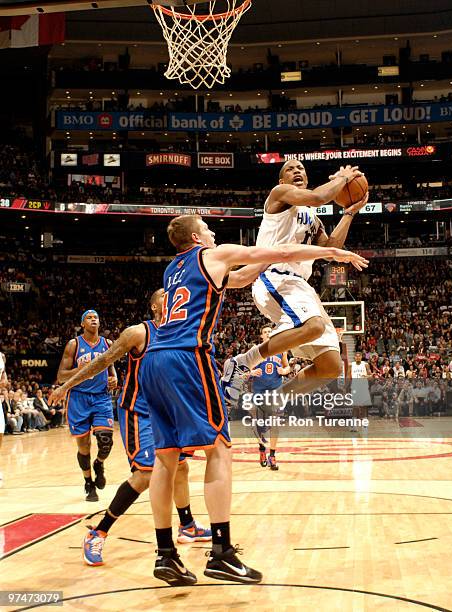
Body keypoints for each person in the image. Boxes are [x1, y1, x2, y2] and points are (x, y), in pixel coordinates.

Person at [140, 214, 368, 587]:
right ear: (197, 237)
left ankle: (165, 555)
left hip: (155, 359)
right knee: (219, 450)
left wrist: (265, 265)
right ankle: (221, 553)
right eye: (208, 229)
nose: (214, 233)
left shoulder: (172, 271)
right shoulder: (212, 254)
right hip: (186, 358)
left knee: (166, 460)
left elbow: (242, 277)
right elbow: (278, 249)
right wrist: (330, 250)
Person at [50, 273, 266, 566]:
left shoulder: (185, 333)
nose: (174, 297)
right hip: (140, 413)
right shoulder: (139, 332)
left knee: (181, 469)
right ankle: (98, 532)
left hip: (170, 412)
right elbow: (102, 362)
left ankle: (187, 526)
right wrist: (65, 385)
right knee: (147, 474)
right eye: (166, 296)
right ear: (155, 306)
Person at [222, 161, 369, 403]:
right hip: (274, 274)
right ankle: (242, 363)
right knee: (314, 326)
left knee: (330, 366)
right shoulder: (279, 194)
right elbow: (318, 197)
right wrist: (343, 178)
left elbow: (330, 249)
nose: (297, 171)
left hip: (300, 285)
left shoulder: (313, 220)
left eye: (301, 168)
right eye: (290, 169)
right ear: (282, 181)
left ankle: (273, 403)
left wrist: (350, 213)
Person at [56, 310, 117, 502]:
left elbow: (110, 366)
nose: (93, 319)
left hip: (101, 397)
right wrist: (80, 369)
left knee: (106, 440)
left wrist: (113, 377)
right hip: (79, 398)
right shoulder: (74, 345)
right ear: (82, 324)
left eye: (96, 317)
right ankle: (89, 483)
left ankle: (99, 464)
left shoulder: (107, 344)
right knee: (84, 446)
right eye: (89, 318)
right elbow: (61, 376)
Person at [249, 325, 290, 470]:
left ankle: (272, 455)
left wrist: (283, 370)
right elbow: (247, 369)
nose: (267, 333)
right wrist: (252, 372)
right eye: (265, 332)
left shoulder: (281, 348)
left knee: (275, 423)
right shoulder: (255, 350)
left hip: (275, 390)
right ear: (261, 336)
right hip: (259, 390)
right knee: (259, 424)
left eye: (269, 332)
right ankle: (261, 449)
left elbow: (288, 368)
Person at [347, 352, 372, 433]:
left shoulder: (366, 364)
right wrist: (346, 387)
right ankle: (354, 426)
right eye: (356, 356)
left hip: (363, 387)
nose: (358, 357)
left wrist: (367, 376)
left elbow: (370, 376)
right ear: (354, 357)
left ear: (361, 357)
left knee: (364, 406)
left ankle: (364, 424)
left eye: (359, 356)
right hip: (355, 387)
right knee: (355, 406)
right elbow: (348, 377)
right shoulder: (351, 365)